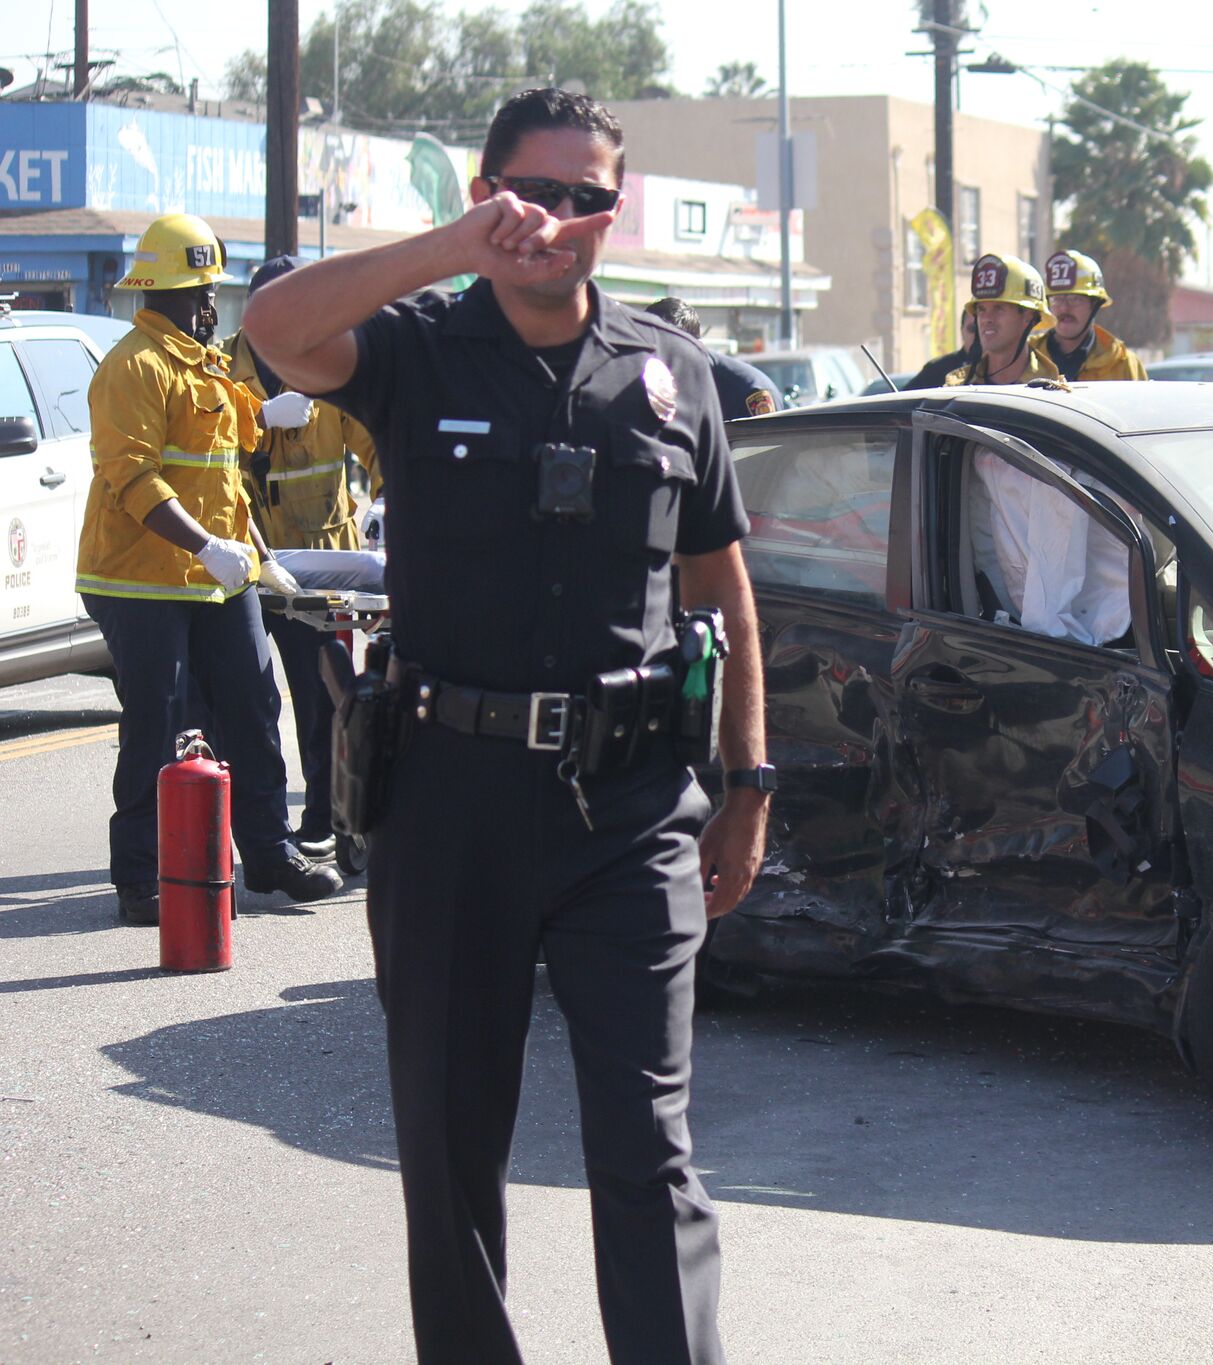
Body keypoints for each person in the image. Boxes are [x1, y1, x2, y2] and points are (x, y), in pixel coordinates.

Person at [242, 88, 763, 1363]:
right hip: (448, 802)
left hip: (629, 812)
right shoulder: (417, 346)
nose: (561, 221)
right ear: (486, 195)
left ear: (613, 209)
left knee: (648, 1151)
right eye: (534, 193)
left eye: (589, 197)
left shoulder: (670, 373)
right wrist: (448, 249)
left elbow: (723, 590)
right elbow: (274, 329)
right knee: (449, 1144)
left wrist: (748, 783)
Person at [77, 213, 345, 925]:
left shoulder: (203, 363)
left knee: (256, 702)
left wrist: (254, 550)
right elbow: (136, 481)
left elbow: (221, 470)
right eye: (202, 292)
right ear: (165, 292)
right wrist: (205, 546)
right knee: (158, 720)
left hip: (216, 574)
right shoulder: (132, 367)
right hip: (139, 579)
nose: (210, 306)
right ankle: (138, 877)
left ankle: (268, 851)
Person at [223, 254, 381, 859]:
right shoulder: (221, 368)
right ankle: (263, 834)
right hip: (247, 566)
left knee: (326, 708)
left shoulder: (332, 362)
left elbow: (379, 443)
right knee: (250, 702)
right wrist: (258, 419)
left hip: (321, 569)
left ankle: (332, 821)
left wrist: (384, 508)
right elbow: (198, 452)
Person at [644, 297, 780, 420]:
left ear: (693, 345)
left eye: (667, 347)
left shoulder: (747, 391)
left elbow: (763, 444)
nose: (658, 356)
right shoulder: (655, 384)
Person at [946, 253, 1062, 385]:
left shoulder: (1051, 390)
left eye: (998, 308)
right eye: (981, 310)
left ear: (1028, 316)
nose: (986, 319)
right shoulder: (957, 387)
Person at [1033, 249, 1147, 381]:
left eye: (1074, 299)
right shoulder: (1026, 359)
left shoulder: (1122, 364)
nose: (1064, 307)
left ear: (1095, 304)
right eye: (1056, 299)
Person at [908, 304, 978, 389]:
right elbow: (904, 399)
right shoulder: (937, 370)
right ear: (962, 331)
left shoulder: (997, 371)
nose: (979, 335)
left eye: (986, 328)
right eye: (973, 329)